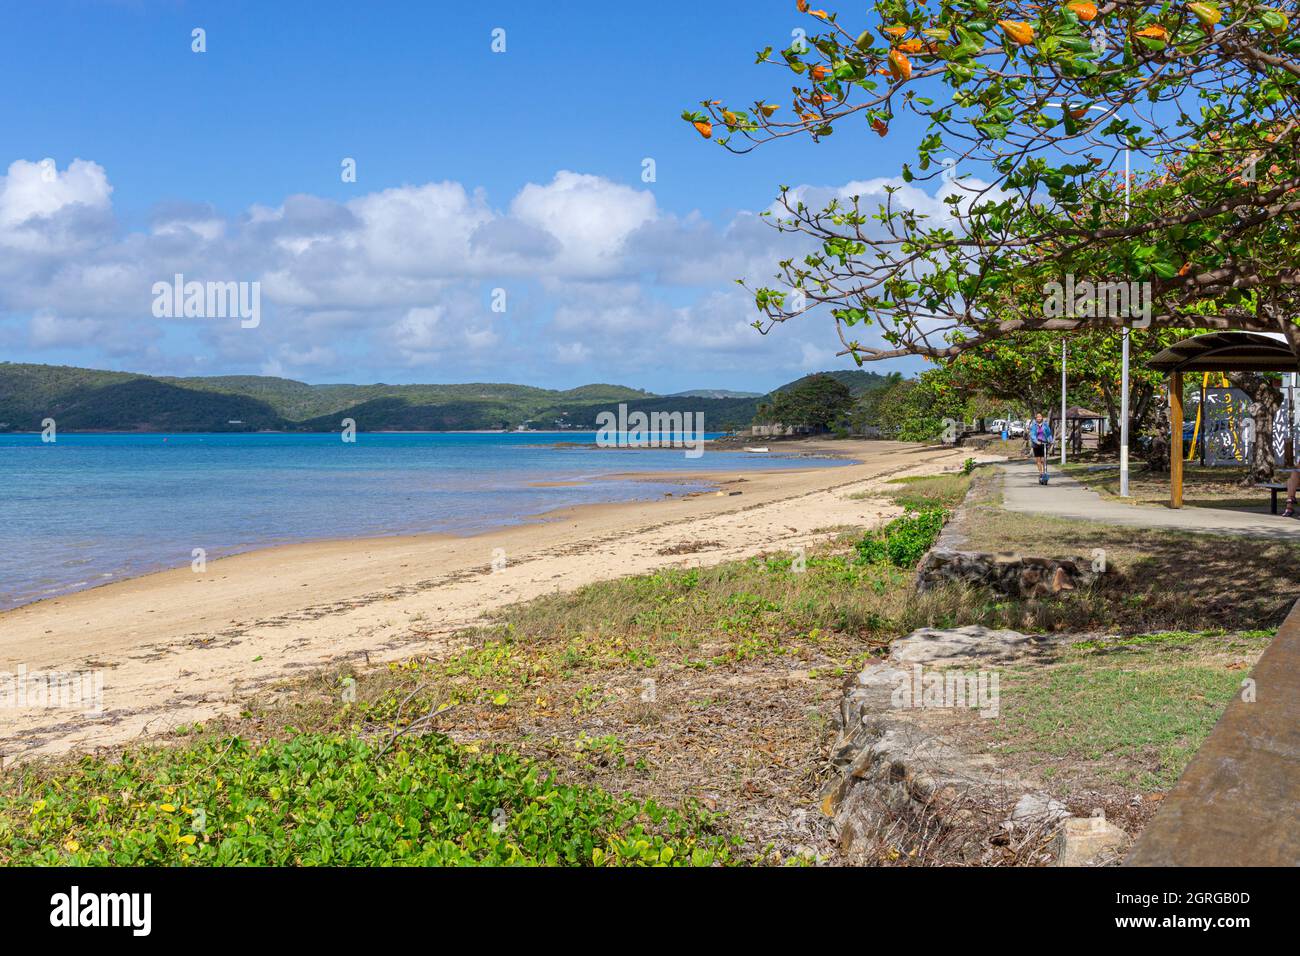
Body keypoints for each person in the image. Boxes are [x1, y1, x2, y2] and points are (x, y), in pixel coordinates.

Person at [1029, 412, 1053, 484]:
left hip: (1044, 443)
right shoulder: (1034, 426)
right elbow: (1032, 435)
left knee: (1043, 460)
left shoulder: (1045, 425)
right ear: (1036, 418)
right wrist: (1036, 441)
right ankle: (1041, 473)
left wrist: (1050, 441)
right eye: (1037, 417)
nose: (1039, 418)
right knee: (1038, 460)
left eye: (1040, 417)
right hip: (1036, 444)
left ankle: (1045, 472)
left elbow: (1049, 434)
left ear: (1042, 418)